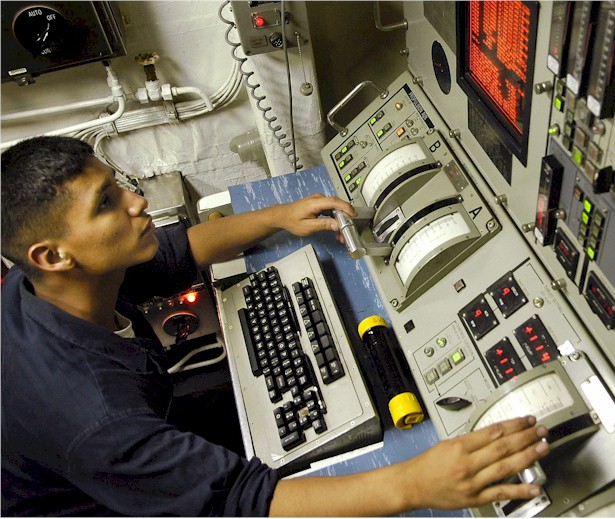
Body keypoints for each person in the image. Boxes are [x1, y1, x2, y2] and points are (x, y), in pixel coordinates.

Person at [1, 135, 550, 516]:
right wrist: (415, 484)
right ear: (52, 255)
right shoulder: (96, 418)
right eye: (107, 203)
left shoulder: (46, 285)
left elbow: (177, 251)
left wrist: (277, 216)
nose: (137, 201)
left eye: (119, 184)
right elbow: (242, 502)